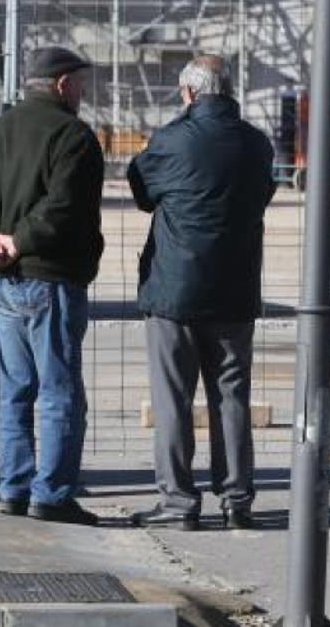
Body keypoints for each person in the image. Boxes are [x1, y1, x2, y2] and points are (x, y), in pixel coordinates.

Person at [0, 47, 104, 526]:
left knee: (15, 388)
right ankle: (52, 494)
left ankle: (15, 487)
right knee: (59, 392)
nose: (83, 93)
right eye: (80, 84)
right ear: (62, 85)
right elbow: (65, 210)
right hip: (49, 277)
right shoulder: (74, 137)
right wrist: (17, 242)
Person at [126, 56, 275, 531]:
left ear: (188, 93)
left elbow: (141, 188)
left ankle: (178, 500)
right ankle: (236, 499)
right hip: (235, 288)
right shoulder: (257, 144)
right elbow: (264, 195)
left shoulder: (171, 140)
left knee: (173, 398)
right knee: (231, 395)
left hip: (175, 289)